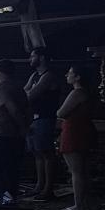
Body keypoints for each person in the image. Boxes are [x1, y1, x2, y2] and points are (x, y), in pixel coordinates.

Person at [0, 59, 30, 205]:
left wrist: (23, 128)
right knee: (11, 169)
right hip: (13, 136)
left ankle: (5, 196)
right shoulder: (19, 88)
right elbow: (27, 110)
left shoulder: (2, 88)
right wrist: (24, 128)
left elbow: (13, 109)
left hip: (1, 135)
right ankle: (10, 198)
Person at [56, 65, 97, 210]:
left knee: (76, 171)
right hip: (82, 131)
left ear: (78, 77)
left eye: (71, 72)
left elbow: (61, 112)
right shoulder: (85, 93)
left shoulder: (77, 93)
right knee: (82, 171)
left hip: (74, 132)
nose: (67, 75)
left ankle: (78, 205)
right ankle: (84, 204)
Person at [24, 47, 62, 200]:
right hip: (33, 119)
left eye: (33, 56)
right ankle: (39, 186)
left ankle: (48, 189)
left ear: (42, 58)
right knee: (37, 153)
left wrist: (29, 92)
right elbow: (23, 93)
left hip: (45, 118)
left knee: (46, 153)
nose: (30, 59)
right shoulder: (34, 76)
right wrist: (28, 92)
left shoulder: (48, 77)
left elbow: (30, 96)